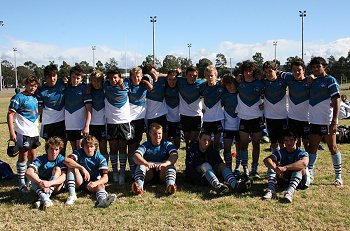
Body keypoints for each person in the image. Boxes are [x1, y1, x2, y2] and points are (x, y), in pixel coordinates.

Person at [307, 57, 343, 188]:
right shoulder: (312, 81)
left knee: (332, 148)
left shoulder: (330, 80)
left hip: (327, 121)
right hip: (314, 121)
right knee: (312, 148)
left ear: (325, 67)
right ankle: (310, 173)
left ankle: (338, 176)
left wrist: (334, 120)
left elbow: (336, 101)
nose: (316, 69)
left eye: (318, 66)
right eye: (314, 67)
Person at [185, 131, 250, 194]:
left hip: (211, 174)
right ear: (199, 139)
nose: (206, 142)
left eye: (209, 140)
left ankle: (235, 184)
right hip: (197, 175)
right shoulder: (192, 148)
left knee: (222, 166)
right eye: (204, 139)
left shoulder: (211, 149)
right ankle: (218, 186)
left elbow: (219, 163)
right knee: (205, 165)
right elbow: (190, 169)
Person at [7, 75, 41, 192]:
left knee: (33, 156)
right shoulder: (18, 97)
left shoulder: (35, 97)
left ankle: (30, 180)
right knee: (23, 156)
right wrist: (12, 132)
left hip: (33, 131)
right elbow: (10, 114)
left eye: (35, 86)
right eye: (31, 85)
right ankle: (21, 183)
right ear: (26, 85)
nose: (33, 88)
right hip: (23, 131)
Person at [64, 135, 117, 207]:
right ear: (83, 147)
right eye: (87, 146)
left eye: (91, 146)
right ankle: (72, 195)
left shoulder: (100, 158)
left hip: (91, 182)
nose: (89, 149)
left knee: (100, 185)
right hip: (79, 181)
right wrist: (82, 168)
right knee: (72, 166)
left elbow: (105, 178)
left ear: (95, 147)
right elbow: (66, 160)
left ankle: (102, 201)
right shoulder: (79, 153)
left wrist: (95, 183)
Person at [235, 60, 265, 179]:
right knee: (243, 145)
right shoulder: (238, 83)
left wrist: (265, 103)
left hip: (256, 118)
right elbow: (225, 83)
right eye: (246, 70)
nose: (248, 73)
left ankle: (254, 169)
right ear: (242, 71)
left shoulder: (260, 83)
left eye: (250, 70)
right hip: (243, 118)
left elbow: (269, 93)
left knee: (256, 144)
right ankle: (245, 169)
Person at [262, 130, 310, 203]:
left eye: (291, 140)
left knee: (300, 168)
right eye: (286, 140)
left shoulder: (301, 152)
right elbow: (266, 160)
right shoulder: (281, 152)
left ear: (296, 140)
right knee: (272, 163)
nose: (288, 143)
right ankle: (271, 190)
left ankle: (289, 193)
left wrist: (285, 168)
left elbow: (304, 163)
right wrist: (276, 169)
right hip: (284, 179)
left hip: (301, 182)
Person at [104, 68, 134, 184]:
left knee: (122, 147)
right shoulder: (105, 85)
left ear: (120, 78)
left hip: (124, 122)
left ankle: (122, 171)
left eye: (115, 77)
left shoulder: (126, 83)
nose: (113, 80)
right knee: (113, 148)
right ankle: (115, 171)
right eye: (111, 78)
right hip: (111, 122)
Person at [132, 123, 178, 196]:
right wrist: (146, 163)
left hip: (162, 173)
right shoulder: (146, 145)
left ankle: (170, 186)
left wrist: (165, 164)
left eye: (159, 133)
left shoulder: (167, 144)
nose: (157, 136)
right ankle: (139, 187)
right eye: (154, 134)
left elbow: (174, 155)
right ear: (149, 134)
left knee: (170, 166)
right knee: (141, 166)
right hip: (149, 174)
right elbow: (135, 156)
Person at [26, 136, 67, 210]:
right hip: (42, 185)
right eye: (51, 149)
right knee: (33, 176)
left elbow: (63, 177)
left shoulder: (61, 159)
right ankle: (46, 199)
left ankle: (42, 198)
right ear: (47, 149)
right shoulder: (41, 159)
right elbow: (28, 172)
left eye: (56, 149)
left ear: (59, 150)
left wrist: (49, 183)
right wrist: (40, 182)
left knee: (57, 169)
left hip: (56, 186)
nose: (54, 152)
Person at [127, 67, 152, 178]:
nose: (136, 79)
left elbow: (151, 87)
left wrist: (145, 81)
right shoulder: (128, 84)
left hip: (140, 119)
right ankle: (132, 169)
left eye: (138, 77)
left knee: (137, 144)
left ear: (141, 76)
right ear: (130, 77)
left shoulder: (144, 85)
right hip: (129, 119)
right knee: (130, 146)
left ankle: (137, 168)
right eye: (134, 77)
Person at [279, 58, 310, 150]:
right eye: (294, 70)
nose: (296, 72)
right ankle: (297, 162)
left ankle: (309, 164)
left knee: (307, 143)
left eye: (299, 70)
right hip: (293, 119)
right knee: (295, 143)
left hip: (306, 119)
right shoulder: (288, 77)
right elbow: (277, 72)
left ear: (304, 70)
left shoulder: (310, 81)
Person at [37, 64, 67, 154]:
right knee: (50, 149)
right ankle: (50, 168)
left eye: (54, 76)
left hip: (62, 122)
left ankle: (62, 167)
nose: (52, 79)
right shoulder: (41, 90)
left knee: (62, 149)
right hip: (48, 123)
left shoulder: (62, 84)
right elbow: (40, 109)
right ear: (45, 77)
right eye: (49, 76)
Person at [64, 65, 92, 151]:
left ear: (81, 78)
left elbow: (89, 109)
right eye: (73, 77)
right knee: (74, 150)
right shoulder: (66, 88)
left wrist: (86, 125)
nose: (75, 80)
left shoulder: (85, 88)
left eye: (78, 78)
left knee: (81, 149)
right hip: (69, 126)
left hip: (80, 125)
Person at [262, 61, 288, 152]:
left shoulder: (283, 81)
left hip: (283, 117)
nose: (268, 74)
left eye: (270, 71)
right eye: (266, 72)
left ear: (276, 70)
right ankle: (274, 162)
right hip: (270, 118)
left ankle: (283, 161)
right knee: (273, 142)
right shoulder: (263, 82)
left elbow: (293, 77)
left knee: (282, 142)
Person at [177, 66, 204, 150]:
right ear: (186, 75)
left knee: (194, 141)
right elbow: (167, 76)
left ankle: (194, 160)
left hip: (196, 116)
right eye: (190, 75)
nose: (192, 77)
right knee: (187, 141)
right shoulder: (180, 81)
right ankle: (188, 160)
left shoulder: (201, 83)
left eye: (194, 76)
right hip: (184, 115)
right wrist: (176, 72)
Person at [199, 65, 224, 152]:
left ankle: (216, 160)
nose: (209, 78)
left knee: (217, 143)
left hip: (218, 118)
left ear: (215, 76)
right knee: (205, 142)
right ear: (205, 76)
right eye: (207, 75)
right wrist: (201, 107)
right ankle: (206, 159)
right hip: (206, 119)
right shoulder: (202, 86)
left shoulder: (221, 86)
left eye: (211, 75)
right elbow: (196, 97)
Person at [220, 73, 240, 172]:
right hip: (228, 126)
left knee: (240, 148)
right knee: (227, 148)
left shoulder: (241, 93)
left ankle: (238, 167)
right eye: (228, 84)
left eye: (233, 84)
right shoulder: (224, 95)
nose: (231, 86)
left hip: (240, 126)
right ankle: (228, 167)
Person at [143, 64, 168, 135]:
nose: (154, 75)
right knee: (151, 139)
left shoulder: (162, 80)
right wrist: (145, 81)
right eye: (151, 74)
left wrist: (159, 74)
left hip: (163, 114)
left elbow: (169, 75)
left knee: (164, 137)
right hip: (150, 116)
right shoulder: (144, 84)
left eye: (154, 72)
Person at [89, 70, 108, 162]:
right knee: (92, 148)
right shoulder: (88, 91)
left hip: (103, 124)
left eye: (98, 81)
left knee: (103, 148)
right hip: (91, 124)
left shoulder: (105, 91)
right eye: (94, 81)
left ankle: (104, 169)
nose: (96, 83)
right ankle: (93, 168)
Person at [165, 69, 181, 149]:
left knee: (177, 143)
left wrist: (178, 72)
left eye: (174, 79)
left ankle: (173, 157)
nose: (172, 82)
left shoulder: (180, 86)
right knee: (166, 142)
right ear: (167, 79)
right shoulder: (164, 87)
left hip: (177, 119)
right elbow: (158, 76)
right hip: (166, 118)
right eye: (170, 79)